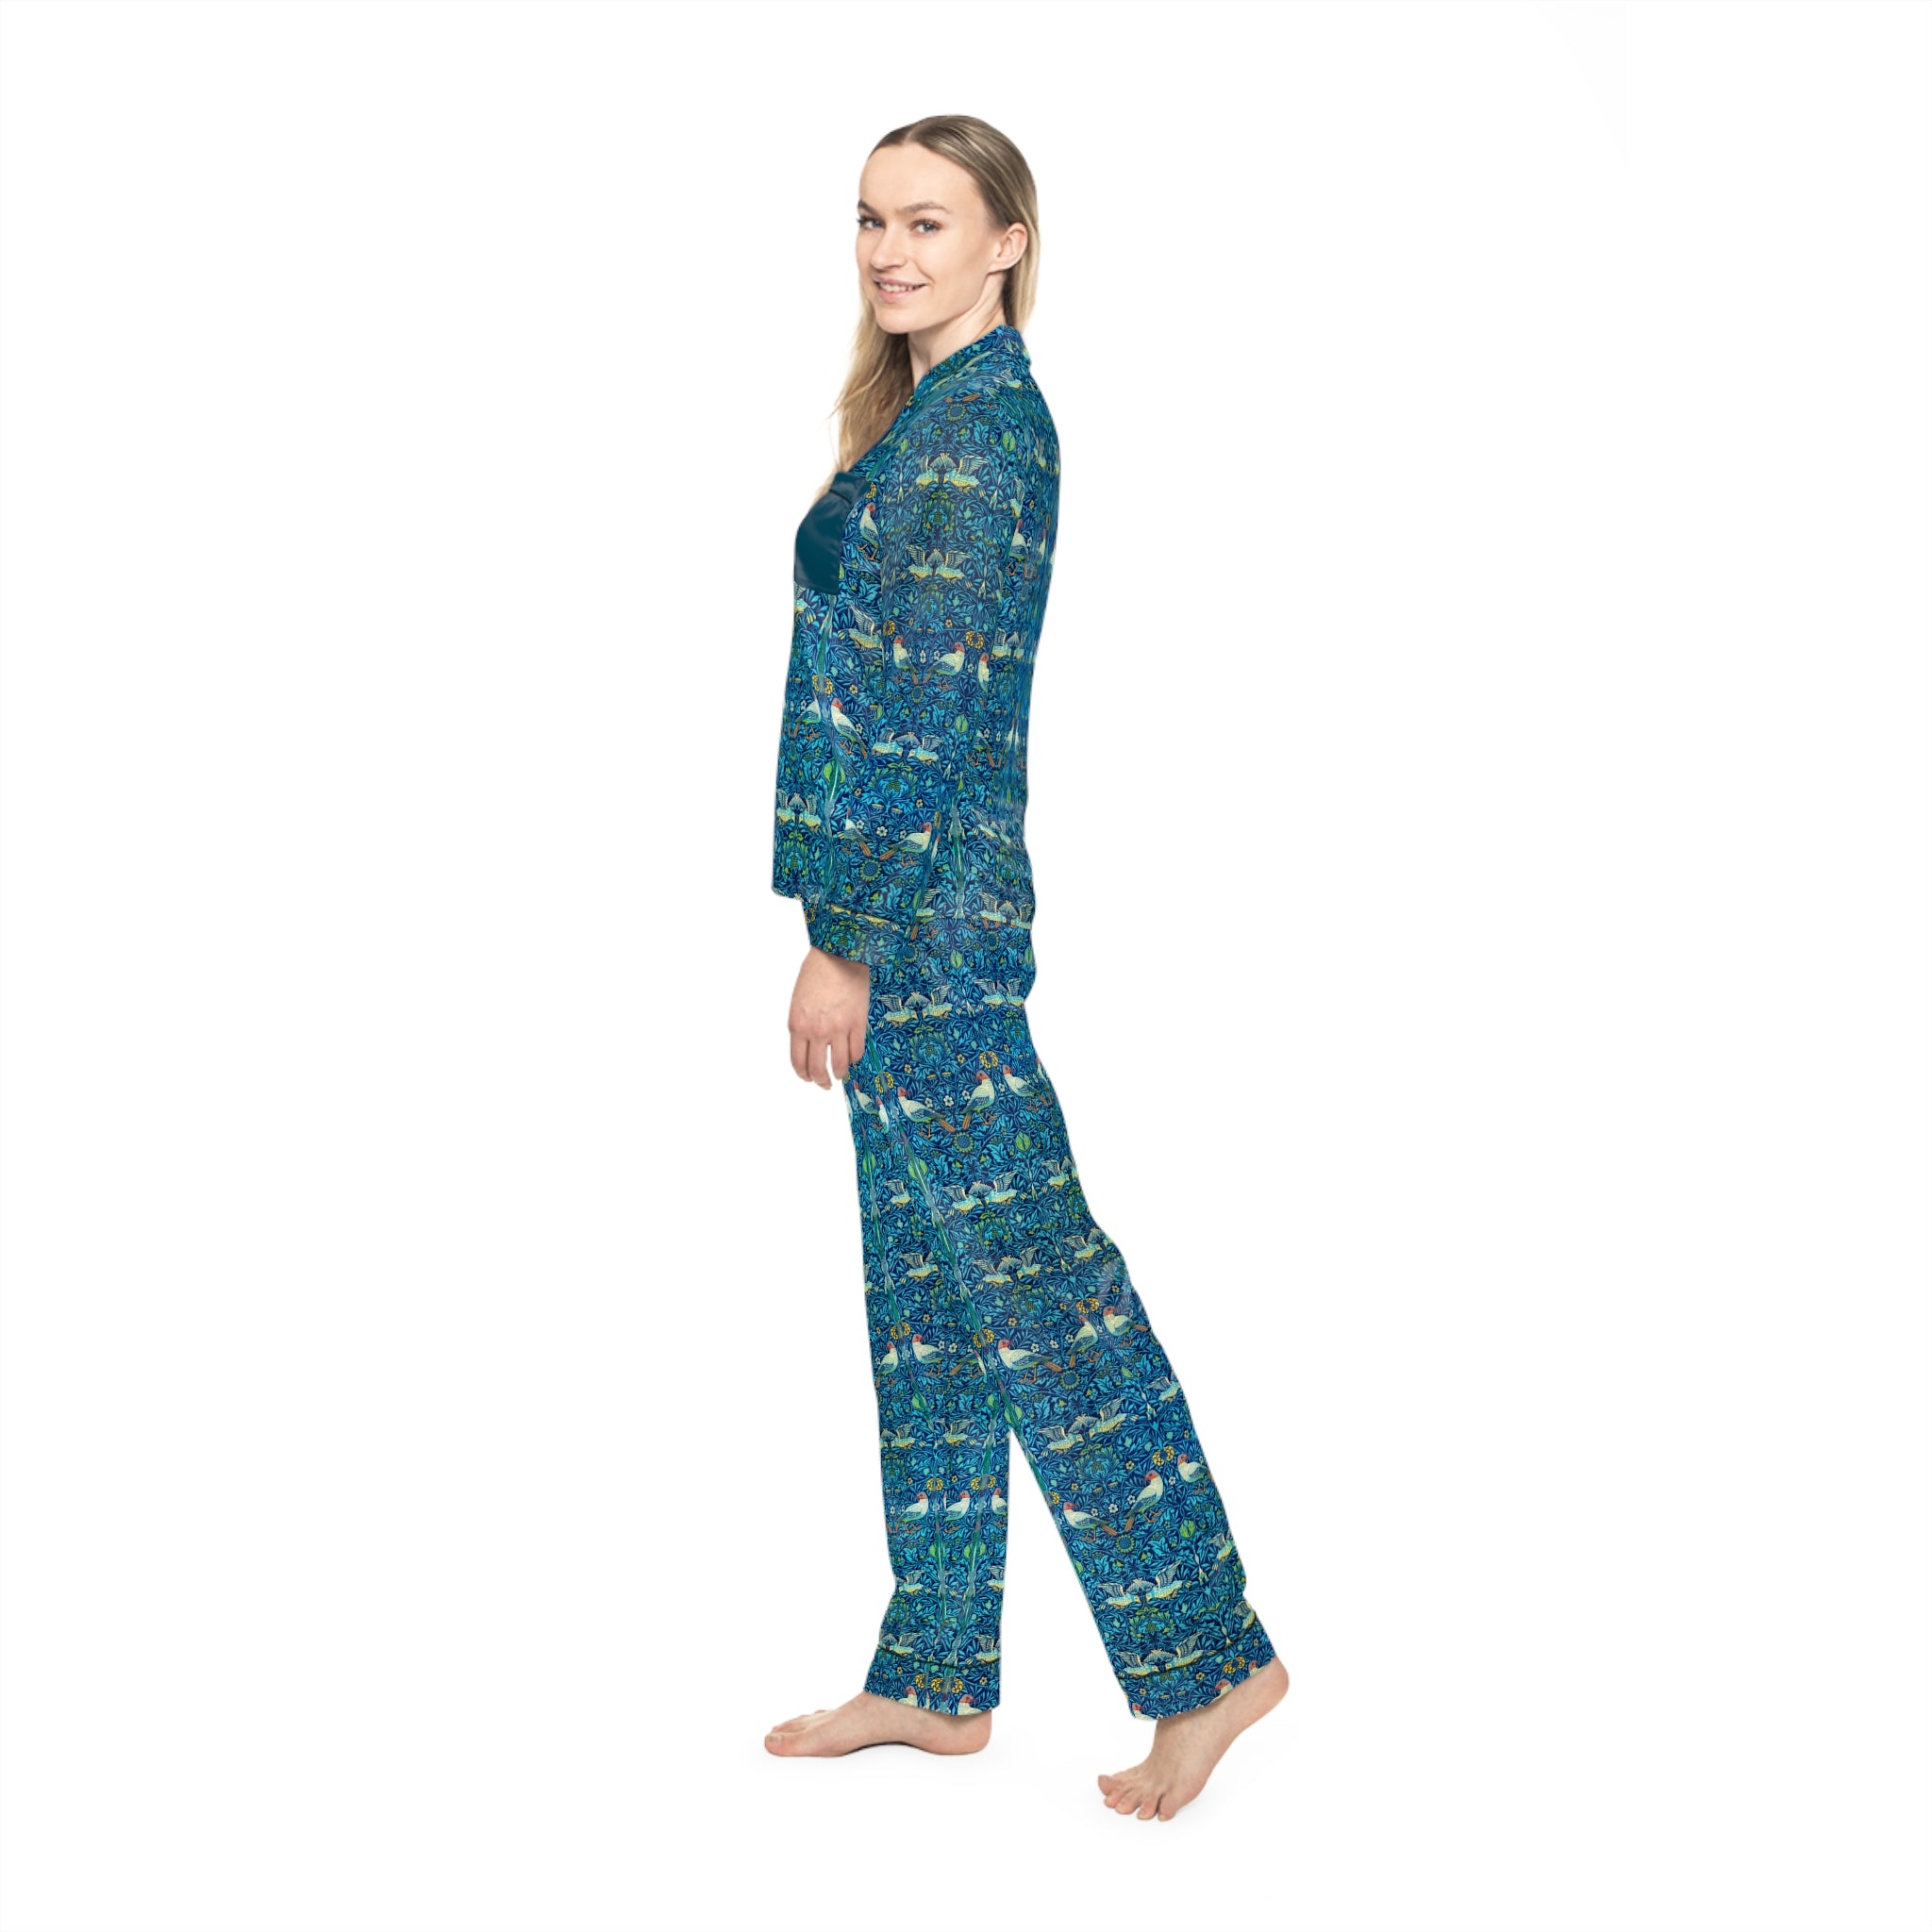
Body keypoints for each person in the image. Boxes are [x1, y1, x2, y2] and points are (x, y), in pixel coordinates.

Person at [765, 114, 1289, 1823]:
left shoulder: (981, 438)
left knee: (1047, 1303)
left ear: (1007, 241)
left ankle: (1211, 1663)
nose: (888, 250)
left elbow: (921, 718)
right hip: (913, 920)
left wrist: (841, 943)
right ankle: (936, 1676)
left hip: (924, 935)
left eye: (928, 222)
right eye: (870, 220)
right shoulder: (931, 417)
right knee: (931, 1313)